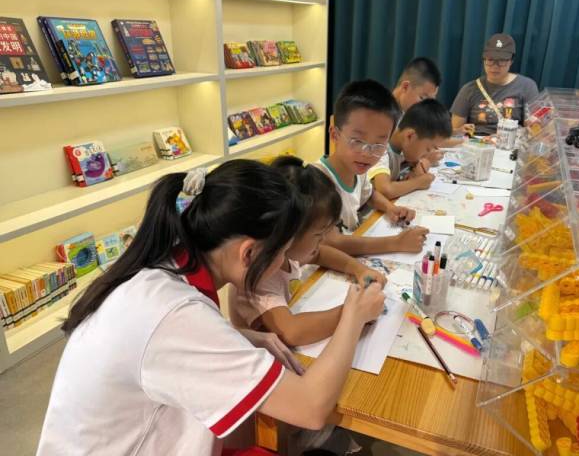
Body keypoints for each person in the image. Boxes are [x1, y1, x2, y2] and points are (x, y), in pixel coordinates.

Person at [36, 160, 385, 456]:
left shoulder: (162, 267)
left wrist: (236, 336)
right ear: (248, 253)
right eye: (281, 252)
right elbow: (310, 408)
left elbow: (162, 346)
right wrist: (353, 316)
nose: (284, 262)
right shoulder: (175, 315)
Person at [230, 155, 387, 346]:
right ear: (289, 234)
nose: (323, 240)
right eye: (319, 234)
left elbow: (320, 254)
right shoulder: (260, 276)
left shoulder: (289, 253)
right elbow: (292, 332)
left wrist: (359, 270)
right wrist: (355, 311)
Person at [316, 80, 429, 257]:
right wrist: (396, 243)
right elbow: (332, 242)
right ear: (334, 135)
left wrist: (389, 208)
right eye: (357, 141)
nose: (367, 153)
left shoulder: (357, 171)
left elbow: (369, 194)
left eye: (379, 145)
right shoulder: (317, 182)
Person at [450, 33, 539, 136]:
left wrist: (533, 125)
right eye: (490, 60)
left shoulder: (527, 86)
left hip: (509, 141)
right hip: (476, 141)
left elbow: (534, 128)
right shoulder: (469, 89)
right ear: (484, 60)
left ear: (511, 61)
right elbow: (455, 131)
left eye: (501, 61)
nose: (495, 66)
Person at [369, 99, 452, 200]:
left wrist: (420, 165)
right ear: (410, 136)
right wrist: (418, 182)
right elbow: (385, 190)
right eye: (428, 148)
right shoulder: (381, 149)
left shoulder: (404, 148)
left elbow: (413, 167)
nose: (428, 153)